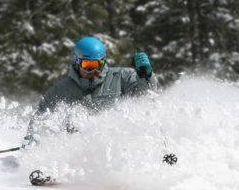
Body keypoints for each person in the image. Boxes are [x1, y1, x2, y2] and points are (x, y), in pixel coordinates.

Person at [22, 36, 157, 148]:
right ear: (77, 62)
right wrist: (32, 145)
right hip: (79, 149)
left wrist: (145, 76)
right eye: (88, 66)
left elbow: (146, 98)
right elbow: (41, 119)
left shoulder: (121, 77)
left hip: (117, 145)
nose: (94, 71)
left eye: (98, 65)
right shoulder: (62, 89)